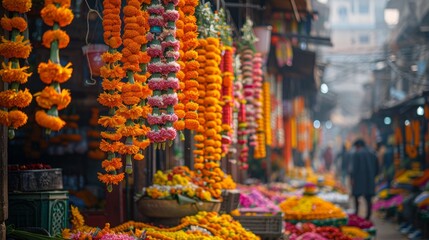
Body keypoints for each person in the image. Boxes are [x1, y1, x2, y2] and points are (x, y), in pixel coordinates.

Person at [349, 139, 379, 220]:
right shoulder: (373, 153)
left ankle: (356, 213)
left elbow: (353, 169)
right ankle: (368, 216)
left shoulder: (356, 154)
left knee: (356, 196)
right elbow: (377, 168)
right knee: (368, 199)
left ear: (358, 146)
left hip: (358, 180)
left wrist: (352, 179)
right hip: (370, 180)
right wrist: (373, 176)